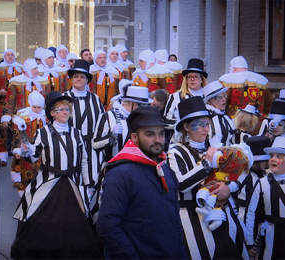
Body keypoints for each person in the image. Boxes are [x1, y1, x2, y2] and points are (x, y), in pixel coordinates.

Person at [11, 91, 102, 259]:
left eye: (67, 108)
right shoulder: (42, 133)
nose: (65, 112)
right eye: (60, 109)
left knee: (76, 222)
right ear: (52, 113)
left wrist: (87, 185)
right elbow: (33, 157)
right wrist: (26, 150)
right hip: (48, 182)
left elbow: (84, 161)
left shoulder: (77, 133)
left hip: (73, 184)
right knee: (39, 216)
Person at [97, 106, 186, 259]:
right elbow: (108, 226)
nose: (158, 140)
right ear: (135, 137)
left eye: (161, 134)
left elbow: (174, 219)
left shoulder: (166, 170)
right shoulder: (120, 174)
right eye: (150, 134)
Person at [167, 96, 248, 259]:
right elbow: (181, 184)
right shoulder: (175, 151)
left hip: (222, 213)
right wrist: (207, 163)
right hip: (192, 217)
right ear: (187, 127)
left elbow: (238, 174)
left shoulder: (216, 147)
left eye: (207, 124)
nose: (205, 129)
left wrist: (228, 188)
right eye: (199, 125)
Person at [63, 60, 105, 204]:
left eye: (82, 76)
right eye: (76, 76)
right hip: (71, 146)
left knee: (93, 180)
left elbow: (102, 121)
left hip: (92, 147)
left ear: (87, 80)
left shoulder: (95, 99)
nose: (79, 79)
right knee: (73, 179)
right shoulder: (64, 98)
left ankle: (90, 214)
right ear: (72, 79)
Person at [245, 136, 285, 259]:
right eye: (272, 155)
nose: (273, 159)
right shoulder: (262, 183)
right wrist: (250, 242)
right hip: (269, 238)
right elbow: (251, 213)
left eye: (279, 156)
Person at [0, 49, 23, 165]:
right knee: (0, 128)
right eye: (8, 55)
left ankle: (17, 154)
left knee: (17, 129)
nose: (10, 57)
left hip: (16, 104)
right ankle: (1, 154)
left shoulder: (20, 69)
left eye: (12, 55)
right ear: (4, 56)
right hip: (1, 103)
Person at [10, 91, 46, 197]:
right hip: (26, 149)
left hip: (40, 150)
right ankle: (24, 191)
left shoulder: (45, 118)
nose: (36, 110)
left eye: (39, 108)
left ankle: (38, 193)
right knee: (26, 171)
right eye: (34, 107)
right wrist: (18, 148)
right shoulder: (24, 118)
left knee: (39, 171)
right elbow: (17, 134)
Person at [232, 136, 270, 223]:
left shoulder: (259, 174)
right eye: (266, 160)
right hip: (243, 219)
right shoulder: (247, 177)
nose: (268, 162)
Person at [164, 58, 208, 133]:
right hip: (181, 138)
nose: (192, 79)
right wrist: (186, 124)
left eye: (195, 76)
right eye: (189, 77)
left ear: (202, 79)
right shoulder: (176, 97)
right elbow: (166, 121)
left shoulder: (208, 97)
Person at [203, 80, 235, 146]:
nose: (224, 99)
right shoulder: (204, 118)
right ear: (210, 101)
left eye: (224, 96)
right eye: (219, 97)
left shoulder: (226, 118)